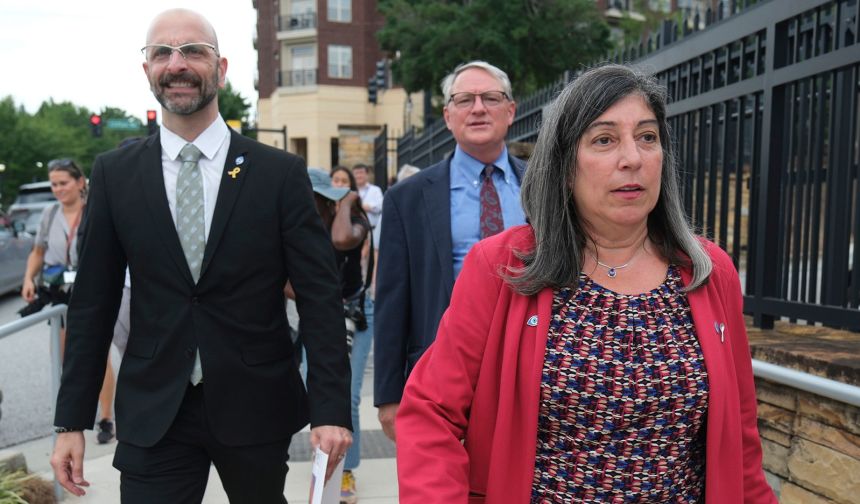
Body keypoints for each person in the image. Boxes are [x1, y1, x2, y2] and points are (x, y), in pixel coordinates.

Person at [395, 64, 778, 503]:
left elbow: (741, 439)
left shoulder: (708, 272)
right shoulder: (504, 266)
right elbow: (431, 412)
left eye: (647, 137)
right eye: (604, 139)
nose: (632, 157)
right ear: (564, 165)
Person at [50, 9, 351, 503]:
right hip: (155, 409)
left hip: (256, 403)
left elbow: (320, 297)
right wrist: (71, 421)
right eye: (161, 53)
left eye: (193, 50)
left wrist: (332, 409)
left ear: (222, 67)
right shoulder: (115, 174)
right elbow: (92, 304)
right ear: (146, 69)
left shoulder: (278, 174)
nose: (177, 63)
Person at [373, 60, 527, 440]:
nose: (477, 108)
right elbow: (392, 300)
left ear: (510, 110)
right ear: (447, 116)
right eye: (464, 100)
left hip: (530, 366)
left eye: (490, 98)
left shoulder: (547, 184)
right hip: (442, 370)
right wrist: (388, 395)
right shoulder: (406, 199)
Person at [20, 159, 117, 445]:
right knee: (64, 357)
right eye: (54, 184)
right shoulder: (50, 214)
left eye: (64, 182)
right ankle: (72, 417)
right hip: (60, 293)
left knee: (97, 354)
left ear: (80, 182)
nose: (58, 189)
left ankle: (106, 417)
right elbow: (38, 251)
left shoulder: (95, 210)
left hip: (90, 291)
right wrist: (28, 278)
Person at [329, 165, 374, 503]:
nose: (339, 188)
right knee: (310, 385)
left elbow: (342, 239)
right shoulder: (314, 221)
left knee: (350, 394)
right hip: (324, 316)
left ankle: (346, 471)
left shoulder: (355, 223)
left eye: (344, 183)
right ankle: (329, 455)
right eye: (334, 182)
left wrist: (346, 203)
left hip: (356, 314)